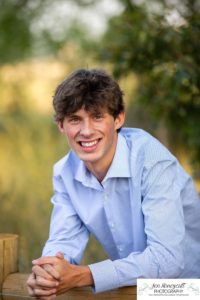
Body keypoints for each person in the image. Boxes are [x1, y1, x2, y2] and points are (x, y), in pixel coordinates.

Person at [27, 68, 200, 299]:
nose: (86, 131)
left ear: (118, 119)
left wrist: (85, 275)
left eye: (97, 117)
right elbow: (63, 241)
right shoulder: (64, 173)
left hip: (186, 289)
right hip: (135, 288)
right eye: (75, 119)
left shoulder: (152, 162)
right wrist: (47, 274)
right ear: (61, 125)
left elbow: (168, 260)